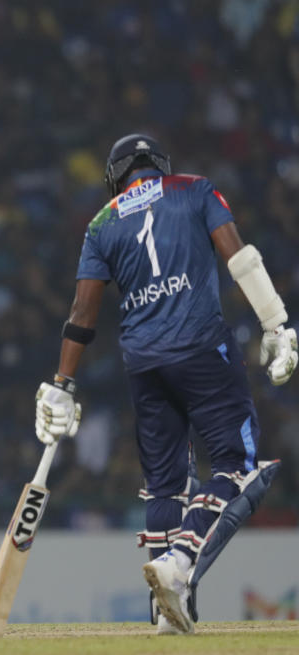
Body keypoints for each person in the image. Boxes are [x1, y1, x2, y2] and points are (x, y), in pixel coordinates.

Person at [34, 134, 297, 634]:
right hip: (200, 348)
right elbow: (239, 258)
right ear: (159, 165)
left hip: (143, 364)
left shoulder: (102, 222)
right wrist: (276, 323)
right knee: (236, 463)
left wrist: (62, 383)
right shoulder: (195, 189)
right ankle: (180, 563)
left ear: (116, 177)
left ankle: (165, 616)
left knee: (165, 485)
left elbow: (82, 313)